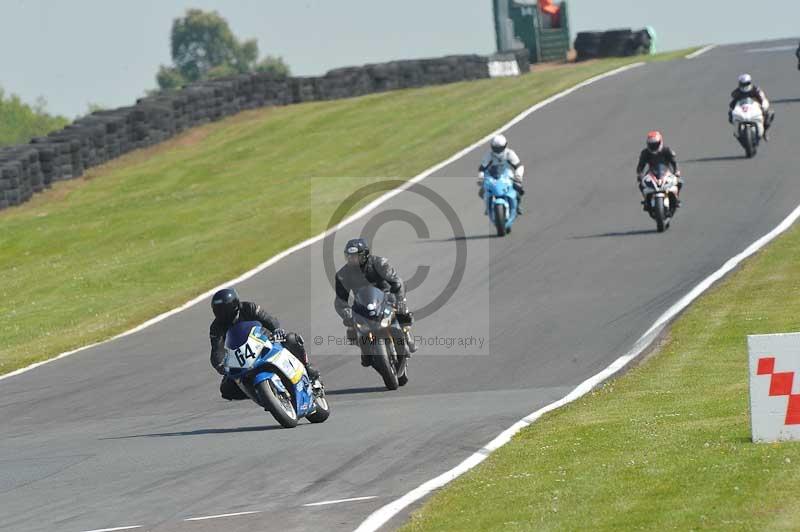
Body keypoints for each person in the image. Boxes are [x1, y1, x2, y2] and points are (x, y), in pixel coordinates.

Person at [209, 287, 320, 401]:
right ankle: (262, 395)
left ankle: (307, 368)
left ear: (235, 305)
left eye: (225, 309)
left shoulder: (249, 308)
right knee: (226, 388)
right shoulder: (216, 327)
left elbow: (268, 319)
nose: (223, 313)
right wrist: (221, 365)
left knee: (291, 339)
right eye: (218, 310)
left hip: (264, 341)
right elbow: (216, 349)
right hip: (242, 358)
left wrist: (276, 330)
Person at [334, 238, 417, 366]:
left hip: (386, 296)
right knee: (351, 327)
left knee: (402, 311)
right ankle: (365, 350)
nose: (352, 259)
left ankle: (406, 333)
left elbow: (396, 281)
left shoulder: (379, 263)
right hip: (363, 303)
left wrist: (399, 299)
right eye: (349, 256)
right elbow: (340, 299)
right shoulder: (342, 274)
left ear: (365, 255)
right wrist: (345, 311)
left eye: (355, 256)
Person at [477, 134, 526, 215]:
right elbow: (482, 168)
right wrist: (481, 177)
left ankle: (517, 206)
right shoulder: (488, 155)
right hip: (491, 176)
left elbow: (519, 166)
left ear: (505, 146)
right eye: (496, 148)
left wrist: (518, 176)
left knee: (519, 188)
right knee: (482, 192)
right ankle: (488, 206)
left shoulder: (510, 153)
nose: (498, 151)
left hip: (507, 175)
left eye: (499, 148)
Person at [636, 131, 682, 211]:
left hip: (666, 172)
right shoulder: (645, 153)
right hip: (652, 172)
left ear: (660, 142)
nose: (653, 146)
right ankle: (646, 201)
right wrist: (640, 174)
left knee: (680, 182)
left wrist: (677, 171)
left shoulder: (666, 150)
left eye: (655, 144)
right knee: (641, 185)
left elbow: (674, 162)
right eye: (652, 144)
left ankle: (676, 199)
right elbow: (640, 166)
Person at [728, 73, 774, 140]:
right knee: (731, 114)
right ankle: (737, 130)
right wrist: (731, 112)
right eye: (743, 84)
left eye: (746, 83)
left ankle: (764, 132)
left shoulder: (755, 90)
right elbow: (733, 102)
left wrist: (763, 106)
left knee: (770, 113)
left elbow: (761, 99)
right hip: (743, 110)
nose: (745, 86)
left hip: (755, 109)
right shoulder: (737, 92)